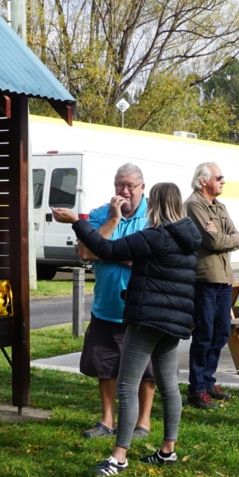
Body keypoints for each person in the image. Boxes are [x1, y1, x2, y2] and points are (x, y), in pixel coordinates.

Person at [54, 182, 202, 477]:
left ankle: (118, 457)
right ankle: (167, 451)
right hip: (174, 324)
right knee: (169, 386)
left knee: (126, 385)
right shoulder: (190, 239)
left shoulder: (155, 237)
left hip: (146, 320)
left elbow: (104, 248)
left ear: (156, 204)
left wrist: (76, 223)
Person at [76, 165, 157, 441]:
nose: (123, 192)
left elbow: (150, 257)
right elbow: (86, 252)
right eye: (119, 186)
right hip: (107, 307)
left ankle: (142, 423)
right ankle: (107, 420)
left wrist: (108, 251)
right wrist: (113, 220)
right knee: (105, 365)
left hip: (143, 308)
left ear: (142, 188)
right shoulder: (102, 214)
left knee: (148, 369)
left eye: (129, 186)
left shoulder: (154, 216)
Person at [185, 162, 239, 410]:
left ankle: (208, 380)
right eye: (219, 177)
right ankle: (196, 389)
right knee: (204, 333)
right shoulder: (193, 205)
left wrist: (230, 238)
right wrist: (228, 238)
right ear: (203, 181)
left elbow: (234, 236)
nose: (223, 181)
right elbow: (213, 240)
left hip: (224, 277)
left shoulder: (218, 206)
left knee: (221, 332)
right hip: (205, 279)